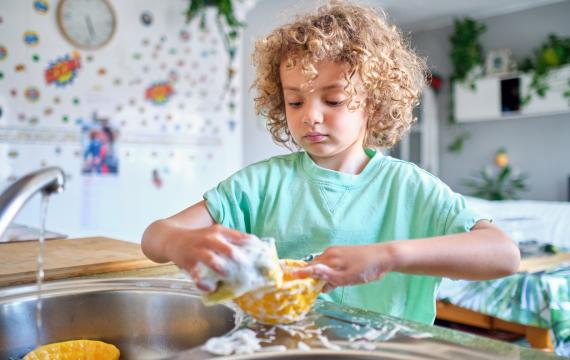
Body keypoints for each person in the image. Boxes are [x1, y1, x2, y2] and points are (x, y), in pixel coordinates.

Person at [142, 0, 520, 325]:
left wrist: (389, 256)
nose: (311, 116)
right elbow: (155, 235)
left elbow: (503, 254)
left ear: (372, 103)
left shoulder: (409, 188)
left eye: (333, 100)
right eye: (295, 101)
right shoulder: (259, 185)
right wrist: (180, 243)